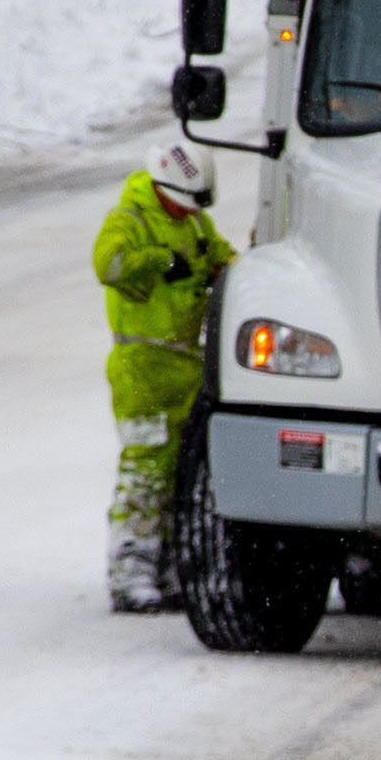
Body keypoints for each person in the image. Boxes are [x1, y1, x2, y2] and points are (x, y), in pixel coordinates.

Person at [91, 138, 234, 612]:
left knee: (180, 473)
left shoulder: (193, 222)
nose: (188, 211)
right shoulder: (127, 222)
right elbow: (108, 264)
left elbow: (221, 256)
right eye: (183, 201)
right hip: (143, 370)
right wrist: (159, 261)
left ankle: (169, 570)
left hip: (186, 369)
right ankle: (130, 572)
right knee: (145, 471)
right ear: (161, 184)